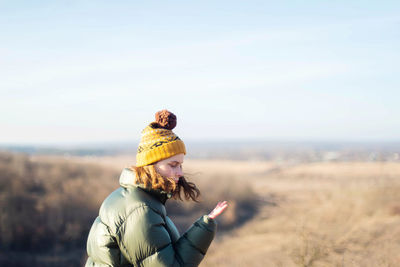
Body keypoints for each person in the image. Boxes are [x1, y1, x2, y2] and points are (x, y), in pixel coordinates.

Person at [85, 110, 228, 267]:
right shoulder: (139, 210)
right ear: (151, 165)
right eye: (173, 165)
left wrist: (206, 224)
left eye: (180, 165)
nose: (180, 173)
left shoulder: (136, 198)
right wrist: (204, 229)